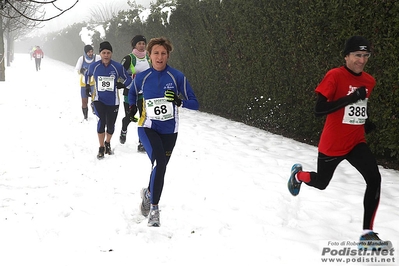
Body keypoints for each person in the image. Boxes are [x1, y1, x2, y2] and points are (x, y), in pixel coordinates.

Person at [287, 36, 386, 249]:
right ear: (347, 56)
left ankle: (367, 234)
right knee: (321, 183)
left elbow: (361, 104)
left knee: (374, 178)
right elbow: (319, 109)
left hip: (356, 141)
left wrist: (366, 121)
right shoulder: (335, 76)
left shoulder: (369, 81)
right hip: (332, 143)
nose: (362, 60)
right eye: (357, 55)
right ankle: (298, 175)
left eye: (366, 56)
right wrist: (350, 99)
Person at [128, 37, 199, 227]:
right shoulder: (142, 77)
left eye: (163, 53)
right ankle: (154, 210)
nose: (160, 57)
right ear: (149, 56)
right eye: (156, 53)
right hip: (148, 127)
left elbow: (195, 103)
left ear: (168, 55)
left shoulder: (176, 77)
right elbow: (132, 93)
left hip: (170, 131)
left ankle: (148, 193)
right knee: (159, 162)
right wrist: (132, 107)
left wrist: (179, 101)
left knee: (161, 168)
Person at [85, 41, 133, 159]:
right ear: (100, 54)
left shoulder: (117, 67)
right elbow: (87, 74)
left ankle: (107, 142)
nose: (106, 55)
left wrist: (122, 85)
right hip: (98, 99)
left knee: (110, 125)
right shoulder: (94, 66)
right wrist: (87, 86)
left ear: (111, 54)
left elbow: (128, 79)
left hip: (113, 101)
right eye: (103, 52)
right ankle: (101, 147)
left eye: (108, 53)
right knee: (101, 121)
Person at [119, 34, 151, 151]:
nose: (142, 46)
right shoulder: (129, 58)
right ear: (134, 45)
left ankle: (141, 143)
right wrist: (123, 82)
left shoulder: (148, 57)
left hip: (144, 93)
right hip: (130, 92)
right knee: (130, 116)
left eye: (143, 43)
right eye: (139, 44)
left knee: (144, 117)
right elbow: (119, 72)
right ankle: (123, 130)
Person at [75, 44, 101, 121]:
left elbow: (101, 65)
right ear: (85, 52)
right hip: (83, 83)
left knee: (95, 99)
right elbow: (76, 70)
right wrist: (81, 71)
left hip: (94, 83)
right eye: (89, 52)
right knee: (84, 101)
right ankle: (85, 117)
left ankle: (96, 112)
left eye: (91, 51)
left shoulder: (97, 57)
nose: (90, 53)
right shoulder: (81, 59)